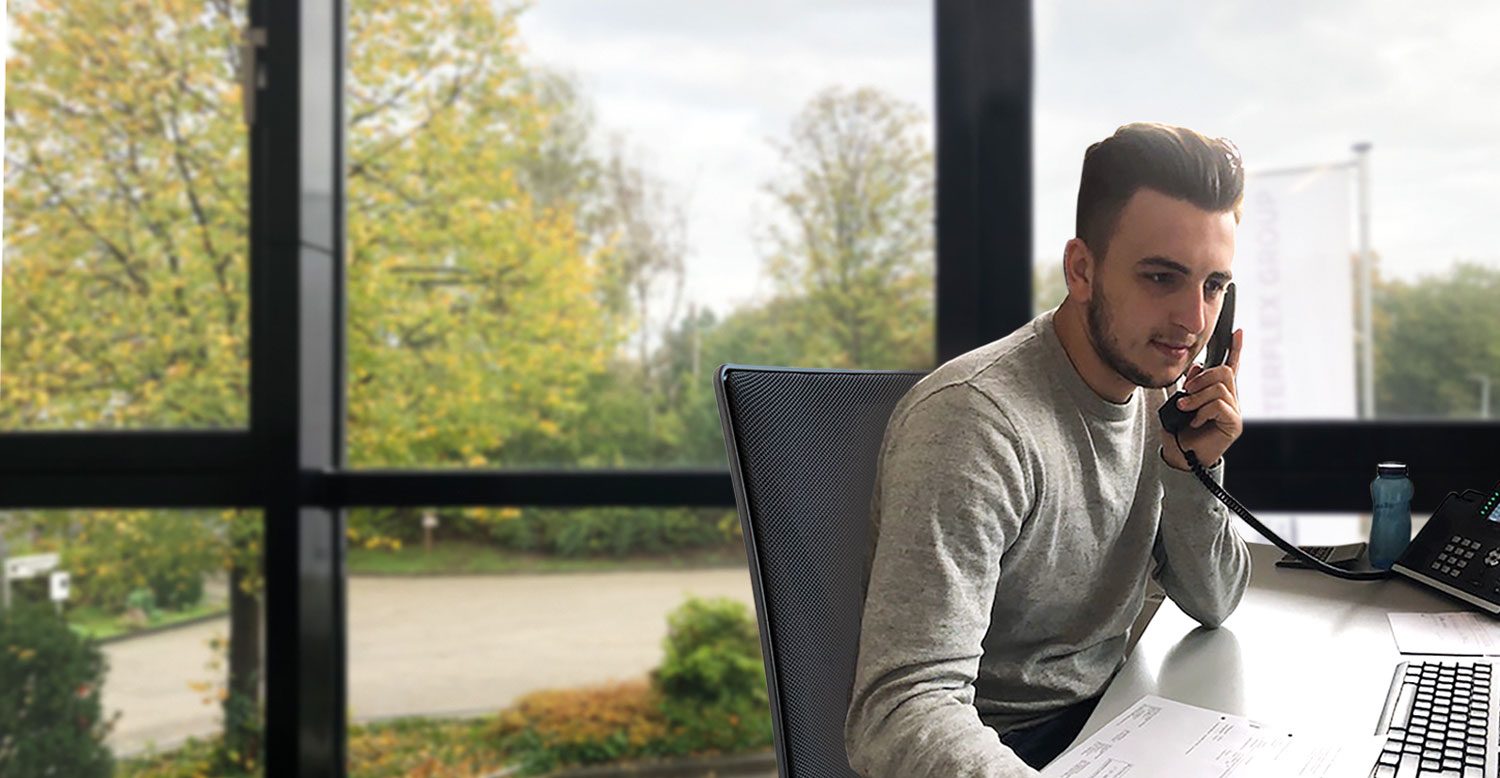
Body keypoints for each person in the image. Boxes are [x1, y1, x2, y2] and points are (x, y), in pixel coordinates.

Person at [843, 122, 1253, 776]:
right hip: (1004, 748)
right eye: (1160, 277)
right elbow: (900, 707)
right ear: (1082, 269)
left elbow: (1215, 600)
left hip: (1119, 716)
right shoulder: (976, 423)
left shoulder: (1162, 397)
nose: (1192, 322)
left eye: (1212, 286)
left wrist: (1191, 467)